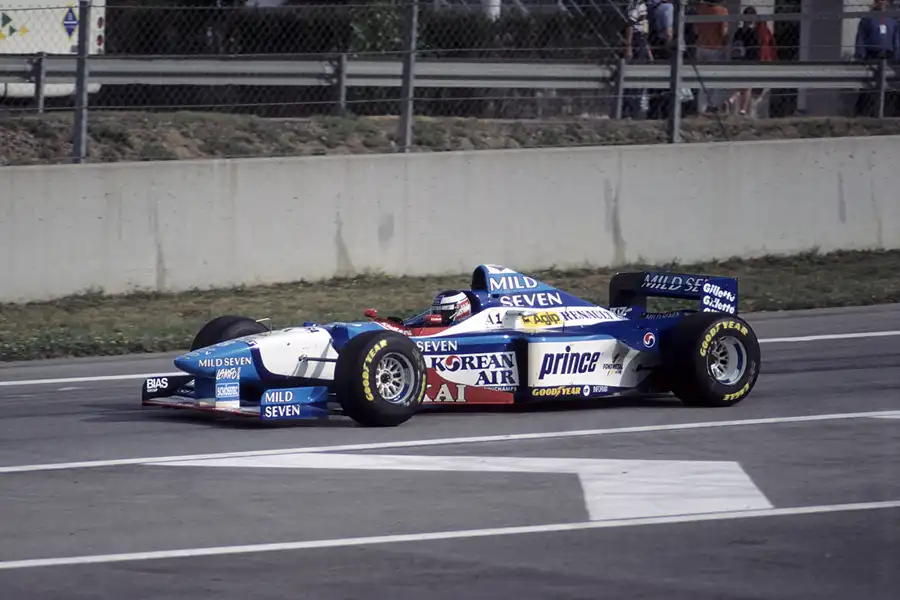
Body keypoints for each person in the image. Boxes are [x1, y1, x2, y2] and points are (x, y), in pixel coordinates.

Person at [725, 7, 777, 116]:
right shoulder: (754, 32)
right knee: (748, 85)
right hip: (750, 60)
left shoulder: (739, 31)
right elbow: (758, 47)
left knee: (744, 85)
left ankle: (734, 100)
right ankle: (741, 108)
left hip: (738, 60)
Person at [854, 0, 900, 116]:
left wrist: (897, 56)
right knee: (868, 86)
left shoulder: (892, 20)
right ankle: (862, 112)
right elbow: (861, 37)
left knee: (889, 87)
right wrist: (861, 55)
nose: (882, 3)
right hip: (873, 55)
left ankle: (887, 112)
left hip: (888, 56)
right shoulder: (868, 18)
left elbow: (896, 38)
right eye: (879, 1)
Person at [694, 0, 730, 113]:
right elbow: (724, 31)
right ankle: (712, 106)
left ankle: (701, 108)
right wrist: (725, 43)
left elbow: (696, 30)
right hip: (715, 47)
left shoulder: (702, 10)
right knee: (716, 79)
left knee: (702, 79)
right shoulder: (722, 11)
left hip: (701, 46)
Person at [622, 0, 653, 119]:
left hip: (642, 40)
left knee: (640, 77)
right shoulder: (636, 4)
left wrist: (648, 48)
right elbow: (630, 24)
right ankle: (629, 109)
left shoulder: (643, 5)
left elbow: (644, 29)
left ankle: (635, 107)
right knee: (635, 77)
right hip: (636, 41)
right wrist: (629, 46)